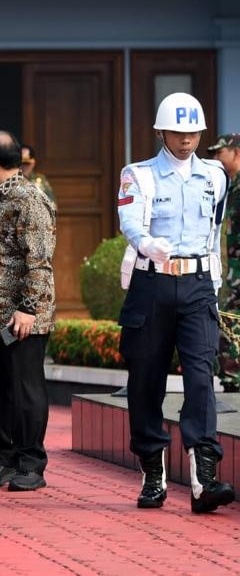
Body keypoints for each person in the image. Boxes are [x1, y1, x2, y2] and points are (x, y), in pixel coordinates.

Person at [117, 92, 235, 513]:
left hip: (198, 285)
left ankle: (205, 478)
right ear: (162, 132)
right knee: (145, 379)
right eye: (178, 132)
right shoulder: (139, 174)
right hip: (153, 284)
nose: (186, 140)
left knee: (202, 377)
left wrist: (215, 281)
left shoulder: (217, 175)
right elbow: (130, 221)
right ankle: (153, 473)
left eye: (192, 133)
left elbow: (214, 229)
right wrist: (147, 243)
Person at [0, 131, 56, 492]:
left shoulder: (29, 199)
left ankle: (31, 463)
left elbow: (39, 261)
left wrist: (28, 308)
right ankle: (0, 460)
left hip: (21, 317)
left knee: (25, 391)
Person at [210, 134, 240, 310]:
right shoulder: (230, 186)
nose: (215, 158)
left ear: (236, 152)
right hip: (234, 278)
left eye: (219, 152)